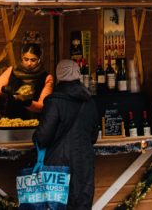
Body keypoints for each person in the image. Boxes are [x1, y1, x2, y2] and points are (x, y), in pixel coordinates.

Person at [33, 60, 100, 210]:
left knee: (58, 206)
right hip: (84, 165)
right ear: (78, 75)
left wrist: (35, 136)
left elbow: (43, 137)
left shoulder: (54, 101)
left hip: (58, 168)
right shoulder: (89, 101)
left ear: (59, 76)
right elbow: (93, 137)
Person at [0, 43, 53, 119]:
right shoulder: (13, 70)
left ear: (39, 59)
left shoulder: (46, 77)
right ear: (22, 57)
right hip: (11, 120)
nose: (29, 63)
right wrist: (5, 89)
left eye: (33, 60)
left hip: (33, 122)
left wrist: (27, 102)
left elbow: (42, 106)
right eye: (26, 59)